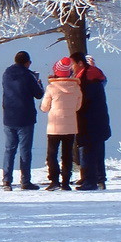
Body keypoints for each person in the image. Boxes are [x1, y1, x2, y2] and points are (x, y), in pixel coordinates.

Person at [1, 50, 44, 191]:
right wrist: (39, 83)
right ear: (27, 62)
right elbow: (38, 94)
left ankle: (6, 181)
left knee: (9, 149)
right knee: (25, 150)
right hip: (25, 117)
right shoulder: (28, 75)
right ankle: (25, 181)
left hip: (9, 116)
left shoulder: (6, 74)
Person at [39, 57, 82, 191]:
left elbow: (45, 107)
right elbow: (77, 107)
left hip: (54, 126)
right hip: (70, 125)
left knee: (52, 154)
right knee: (67, 154)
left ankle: (54, 180)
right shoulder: (76, 87)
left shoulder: (51, 88)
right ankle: (65, 182)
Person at [72, 54, 112, 190]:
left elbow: (82, 101)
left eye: (73, 64)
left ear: (80, 64)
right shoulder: (96, 75)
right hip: (100, 119)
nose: (72, 67)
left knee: (86, 149)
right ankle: (100, 178)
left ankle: (89, 180)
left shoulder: (85, 80)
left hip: (88, 120)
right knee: (98, 149)